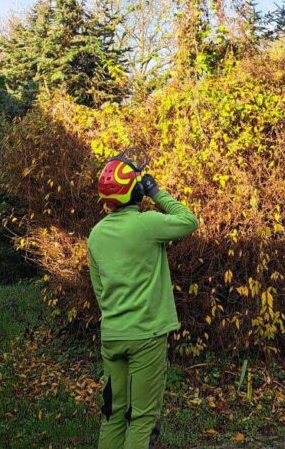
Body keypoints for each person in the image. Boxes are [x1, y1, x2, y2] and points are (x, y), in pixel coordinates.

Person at [88, 154, 199, 449]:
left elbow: (100, 290)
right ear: (136, 192)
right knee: (142, 418)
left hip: (112, 335)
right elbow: (189, 220)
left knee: (112, 414)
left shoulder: (96, 235)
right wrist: (157, 192)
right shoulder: (147, 224)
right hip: (146, 335)